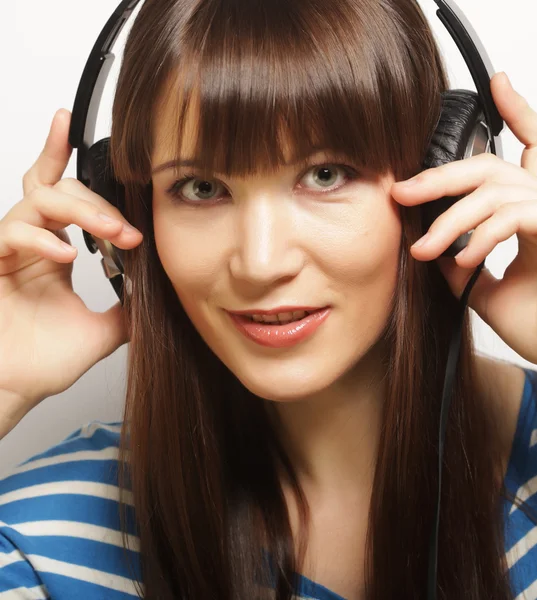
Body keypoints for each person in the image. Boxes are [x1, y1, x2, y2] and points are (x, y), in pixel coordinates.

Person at [1, 0, 537, 598]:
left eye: (326, 174)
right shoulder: (44, 545)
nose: (260, 264)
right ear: (128, 220)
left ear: (450, 177)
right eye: (200, 188)